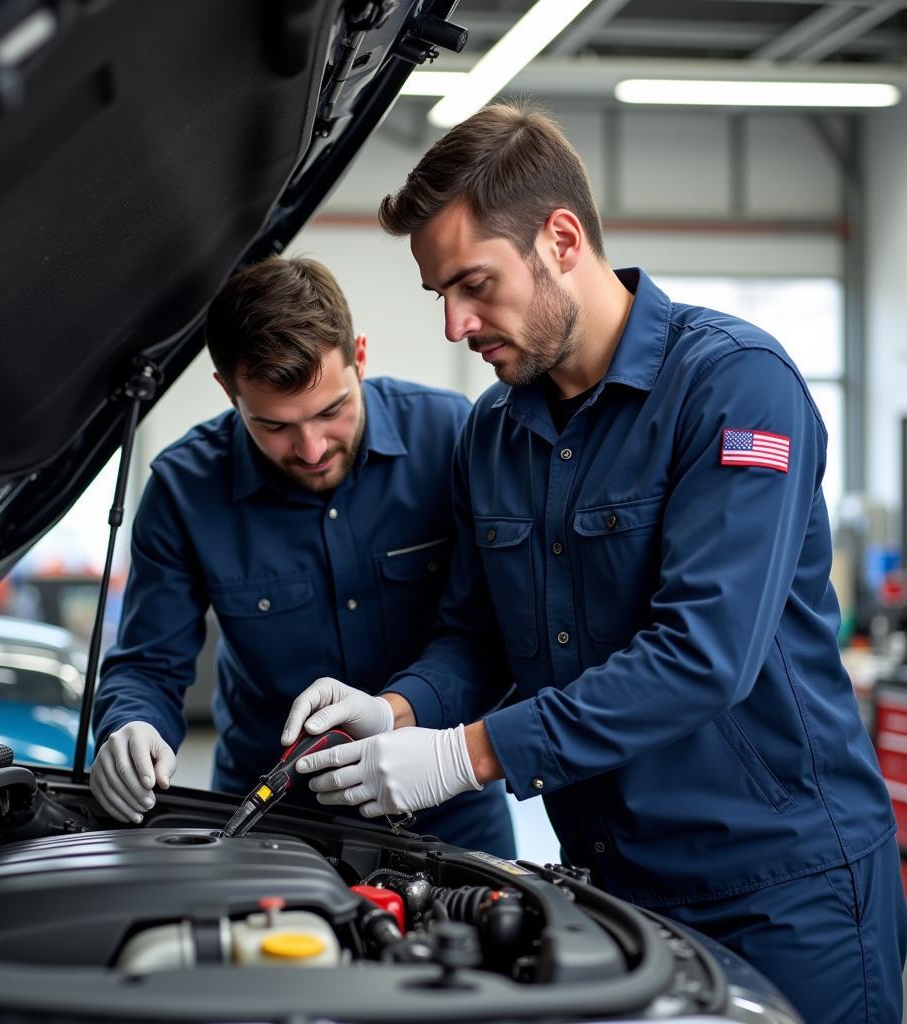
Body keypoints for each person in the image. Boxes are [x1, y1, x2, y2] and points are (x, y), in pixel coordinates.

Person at [284, 103, 907, 1023]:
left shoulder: (736, 385)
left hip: (782, 889)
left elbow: (704, 654)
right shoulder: (493, 434)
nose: (456, 325)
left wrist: (466, 754)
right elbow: (475, 637)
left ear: (562, 239)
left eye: (474, 285)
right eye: (439, 297)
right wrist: (399, 708)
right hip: (612, 888)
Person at [89, 255, 515, 858]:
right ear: (226, 392)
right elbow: (148, 665)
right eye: (274, 425)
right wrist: (131, 726)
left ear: (359, 357)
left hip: (446, 801)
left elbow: (482, 637)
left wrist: (399, 712)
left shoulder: (452, 438)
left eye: (330, 410)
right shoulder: (184, 489)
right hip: (269, 815)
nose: (311, 448)